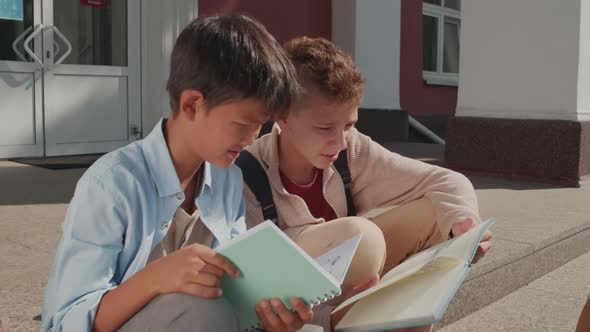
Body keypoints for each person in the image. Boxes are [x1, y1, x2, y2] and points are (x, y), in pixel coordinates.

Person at [40, 15, 313, 332]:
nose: (252, 138)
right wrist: (156, 279)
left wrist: (268, 315)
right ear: (192, 105)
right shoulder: (112, 185)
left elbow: (237, 286)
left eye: (260, 126)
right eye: (242, 124)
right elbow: (68, 321)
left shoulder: (227, 179)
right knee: (203, 311)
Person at [240, 36, 492, 331]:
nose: (339, 142)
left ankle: (405, 319)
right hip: (295, 311)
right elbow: (250, 290)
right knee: (363, 236)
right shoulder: (245, 173)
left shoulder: (351, 150)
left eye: (348, 125)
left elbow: (446, 180)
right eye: (324, 128)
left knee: (438, 214)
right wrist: (328, 319)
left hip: (355, 282)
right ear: (282, 115)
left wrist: (464, 230)